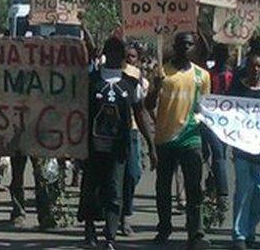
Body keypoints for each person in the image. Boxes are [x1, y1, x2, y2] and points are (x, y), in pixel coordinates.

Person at [78, 37, 157, 250]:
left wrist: (151, 144)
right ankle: (89, 230)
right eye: (111, 52)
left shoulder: (131, 84)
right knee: (91, 189)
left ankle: (110, 237)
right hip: (92, 147)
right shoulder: (91, 80)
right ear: (105, 53)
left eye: (118, 53)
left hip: (119, 148)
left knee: (114, 190)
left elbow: (140, 115)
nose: (115, 56)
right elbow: (79, 114)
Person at [146, 32, 211, 249]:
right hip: (165, 140)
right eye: (182, 45)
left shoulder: (202, 76)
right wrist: (155, 88)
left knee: (194, 188)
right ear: (175, 46)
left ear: (194, 48)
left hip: (191, 138)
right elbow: (147, 104)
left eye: (190, 45)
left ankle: (196, 232)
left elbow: (205, 109)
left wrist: (207, 141)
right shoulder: (162, 72)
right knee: (163, 188)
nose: (186, 48)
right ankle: (164, 227)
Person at [230, 52, 260, 250]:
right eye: (252, 65)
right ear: (247, 66)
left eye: (259, 66)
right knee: (243, 191)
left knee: (258, 192)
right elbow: (227, 111)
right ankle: (239, 234)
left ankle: (250, 231)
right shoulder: (238, 88)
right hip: (242, 148)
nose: (256, 69)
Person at [120, 42, 150, 236]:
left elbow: (142, 110)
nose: (129, 59)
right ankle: (117, 218)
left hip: (132, 131)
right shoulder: (111, 74)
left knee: (133, 174)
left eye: (132, 57)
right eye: (126, 56)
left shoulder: (140, 81)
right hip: (112, 133)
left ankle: (125, 212)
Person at [201, 43, 232, 214]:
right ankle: (219, 190)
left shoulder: (230, 77)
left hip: (223, 123)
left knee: (218, 155)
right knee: (216, 154)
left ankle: (219, 189)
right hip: (211, 121)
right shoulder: (209, 75)